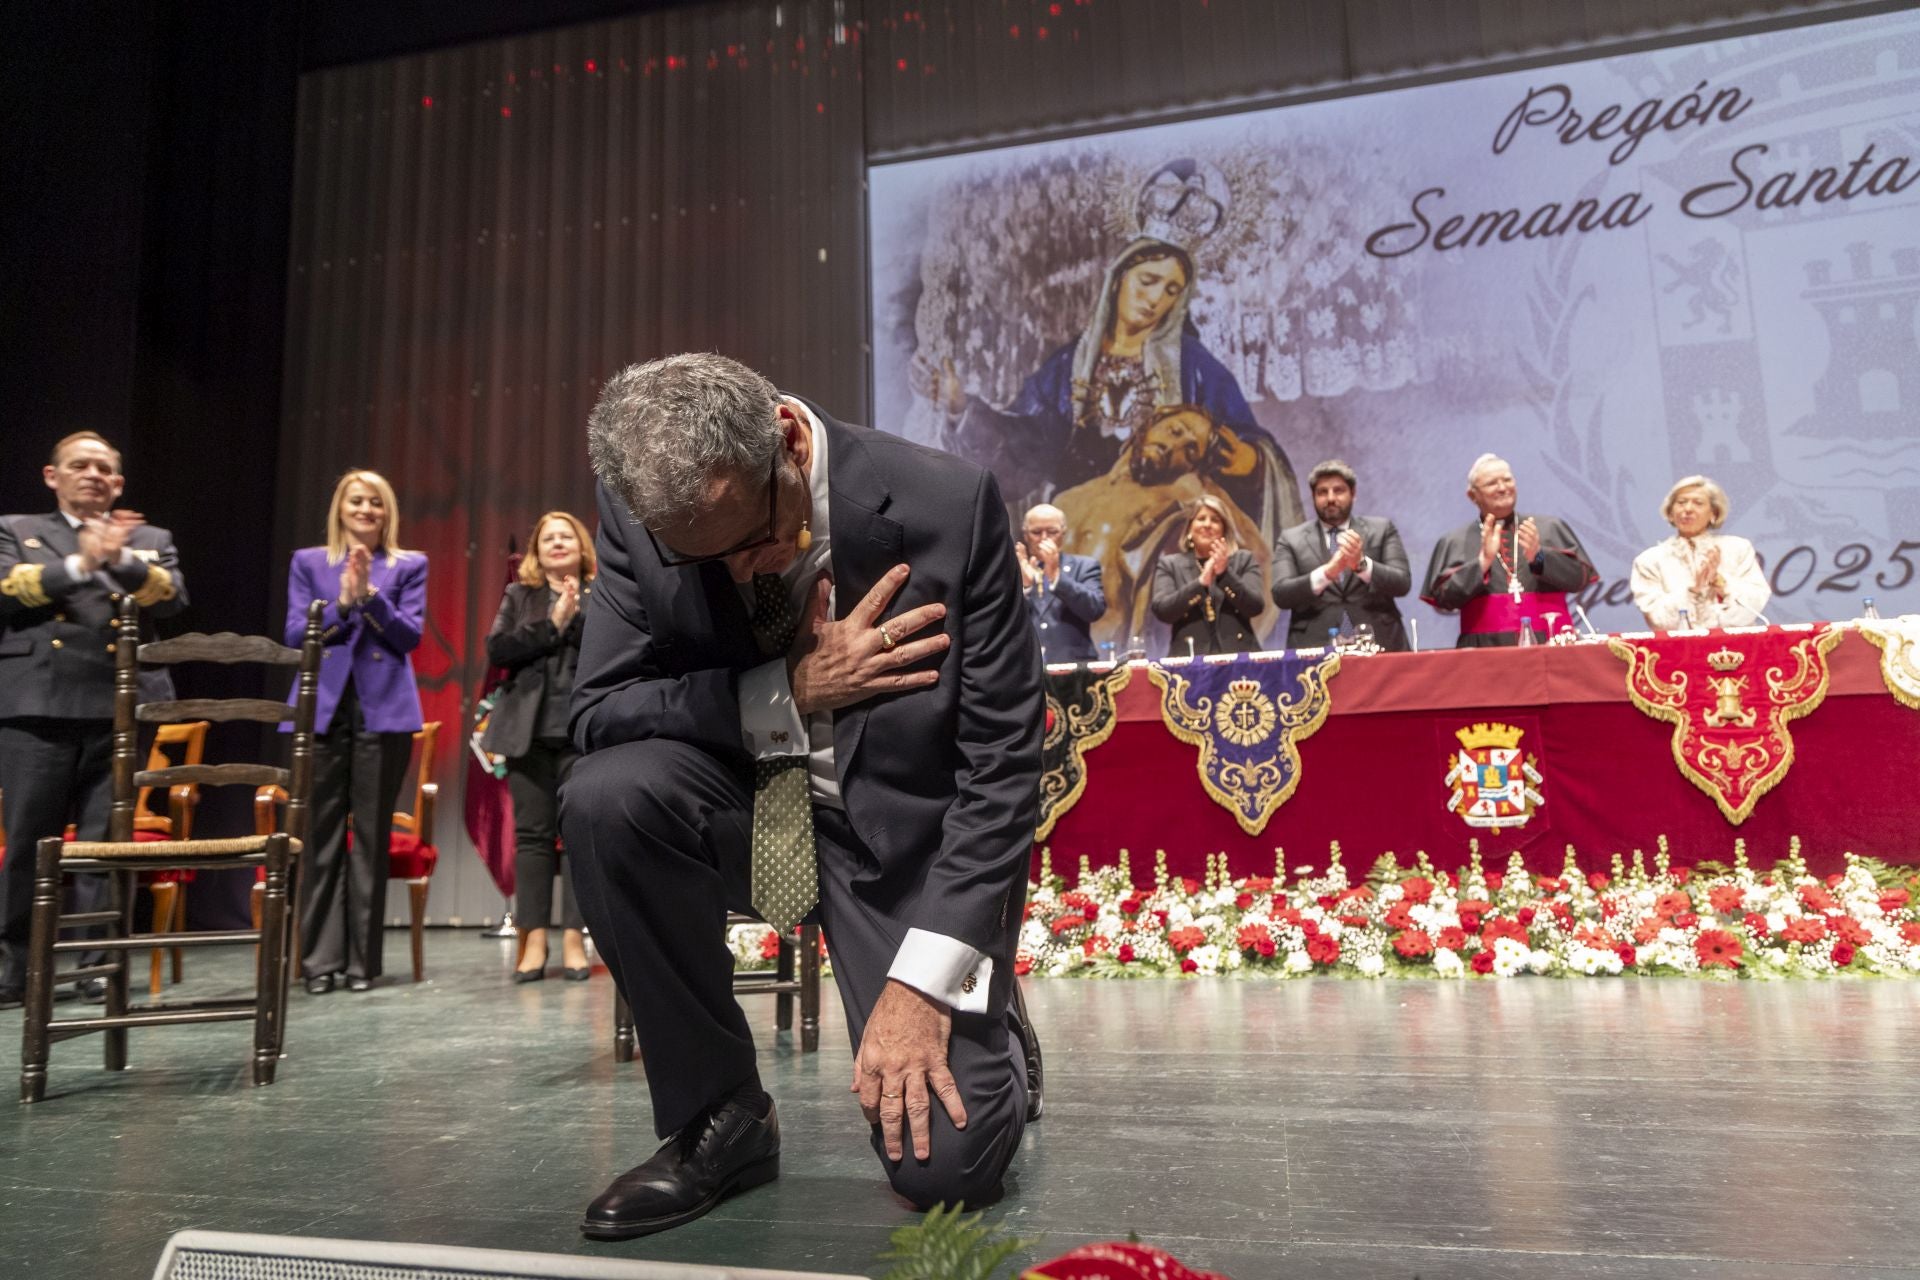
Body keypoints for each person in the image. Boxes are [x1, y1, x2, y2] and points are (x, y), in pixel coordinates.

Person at [561, 353, 1041, 1240]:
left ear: (786, 440)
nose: (749, 573)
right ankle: (724, 1118)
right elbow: (596, 711)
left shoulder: (947, 504)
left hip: (901, 851)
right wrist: (784, 689)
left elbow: (1005, 762)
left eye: (760, 539)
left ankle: (995, 1021)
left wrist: (928, 988)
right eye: (716, 561)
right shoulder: (648, 513)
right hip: (748, 814)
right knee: (607, 797)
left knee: (946, 1168)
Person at [913, 236, 1303, 540]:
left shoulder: (1193, 364)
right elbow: (1024, 447)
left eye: (1172, 290)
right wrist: (961, 406)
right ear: (1118, 281)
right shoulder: (1069, 364)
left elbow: (1248, 445)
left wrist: (1249, 461)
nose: (1156, 299)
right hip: (1078, 528)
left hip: (1164, 532)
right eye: (1148, 281)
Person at [0, 432, 187, 1010]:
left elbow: (171, 598)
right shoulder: (17, 530)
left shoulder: (149, 539)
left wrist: (120, 558)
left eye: (104, 468)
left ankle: (96, 967)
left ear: (120, 483)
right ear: (51, 476)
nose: (93, 474)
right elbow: (10, 592)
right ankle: (16, 969)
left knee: (106, 845)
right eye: (79, 465)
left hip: (123, 706)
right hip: (40, 701)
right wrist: (84, 562)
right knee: (32, 842)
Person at [284, 470, 426, 995]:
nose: (366, 509)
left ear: (386, 513)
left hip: (383, 713)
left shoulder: (409, 565)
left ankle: (362, 965)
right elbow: (298, 636)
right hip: (322, 711)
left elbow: (409, 636)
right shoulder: (308, 562)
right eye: (356, 501)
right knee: (319, 839)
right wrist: (341, 605)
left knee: (370, 838)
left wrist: (370, 596)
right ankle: (319, 964)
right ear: (339, 509)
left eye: (376, 503)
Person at [482, 511, 595, 983]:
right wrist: (551, 622)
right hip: (526, 732)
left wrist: (573, 617)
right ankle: (533, 939)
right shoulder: (519, 594)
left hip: (579, 731)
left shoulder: (601, 593)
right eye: (548, 537)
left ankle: (573, 938)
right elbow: (498, 648)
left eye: (565, 535)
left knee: (576, 841)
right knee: (532, 838)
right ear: (536, 551)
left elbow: (612, 648)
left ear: (581, 545)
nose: (556, 542)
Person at [1421, 454, 1597, 647]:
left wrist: (1538, 557)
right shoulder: (1455, 541)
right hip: (1484, 649)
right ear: (1472, 496)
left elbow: (1580, 580)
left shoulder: (1548, 527)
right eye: (1492, 483)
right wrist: (1482, 563)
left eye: (1507, 480)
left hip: (1551, 641)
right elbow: (1443, 599)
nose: (1503, 488)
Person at [1270, 459, 1413, 650]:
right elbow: (1281, 594)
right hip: (1315, 646)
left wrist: (1361, 565)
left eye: (1338, 490)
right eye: (1322, 492)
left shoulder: (1381, 529)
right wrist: (1327, 573)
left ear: (1353, 494)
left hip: (1380, 642)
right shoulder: (1291, 539)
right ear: (1313, 496)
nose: (1330, 498)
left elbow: (1402, 583)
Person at [1629, 475, 1770, 630]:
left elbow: (1754, 605)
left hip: (1734, 650)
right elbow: (1659, 621)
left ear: (1713, 514)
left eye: (1698, 503)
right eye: (1681, 502)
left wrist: (1719, 581)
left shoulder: (1738, 549)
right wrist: (1693, 589)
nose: (1688, 509)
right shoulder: (1649, 560)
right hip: (1678, 650)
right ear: (1670, 513)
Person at [1149, 495, 1266, 657]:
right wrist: (1200, 584)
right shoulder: (1170, 565)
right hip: (1188, 660)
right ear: (1190, 528)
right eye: (1201, 518)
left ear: (1224, 529)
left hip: (1240, 658)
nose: (1207, 525)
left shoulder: (1243, 560)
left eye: (1215, 520)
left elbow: (1255, 606)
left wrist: (1225, 574)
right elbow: (1163, 611)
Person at [1016, 503, 1105, 664]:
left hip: (1074, 668)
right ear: (1026, 535)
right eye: (1036, 532)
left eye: (1052, 532)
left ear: (1063, 533)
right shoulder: (1012, 571)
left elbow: (1095, 610)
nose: (1044, 538)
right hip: (1023, 667)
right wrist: (1025, 588)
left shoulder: (1084, 566)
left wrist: (1057, 576)